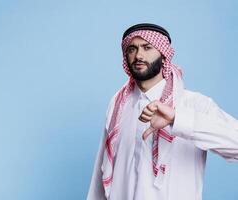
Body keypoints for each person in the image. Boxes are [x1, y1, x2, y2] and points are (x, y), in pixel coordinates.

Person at [87, 23, 238, 200]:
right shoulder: (118, 105)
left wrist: (177, 118)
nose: (139, 55)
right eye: (132, 49)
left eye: (147, 47)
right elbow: (101, 171)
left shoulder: (193, 104)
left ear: (163, 54)